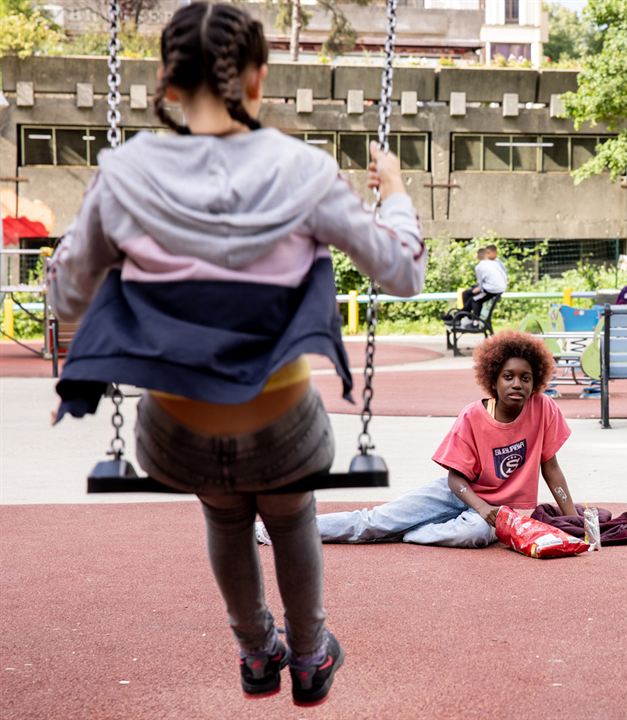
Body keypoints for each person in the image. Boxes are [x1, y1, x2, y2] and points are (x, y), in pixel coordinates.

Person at [47, 2, 426, 706]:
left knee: (225, 516)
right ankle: (310, 655)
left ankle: (256, 652)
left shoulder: (123, 173)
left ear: (165, 80)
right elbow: (402, 271)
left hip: (178, 432)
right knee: (290, 515)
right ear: (257, 78)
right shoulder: (303, 172)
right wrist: (396, 194)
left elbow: (67, 298)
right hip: (281, 423)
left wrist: (94, 235)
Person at [256, 331, 579, 548]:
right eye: (508, 377)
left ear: (536, 382)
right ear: (492, 380)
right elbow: (455, 479)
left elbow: (551, 468)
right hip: (460, 493)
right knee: (375, 521)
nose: (517, 384)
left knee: (476, 534)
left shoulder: (543, 409)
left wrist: (573, 521)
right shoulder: (472, 416)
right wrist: (481, 507)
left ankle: (411, 534)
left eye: (526, 378)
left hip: (501, 509)